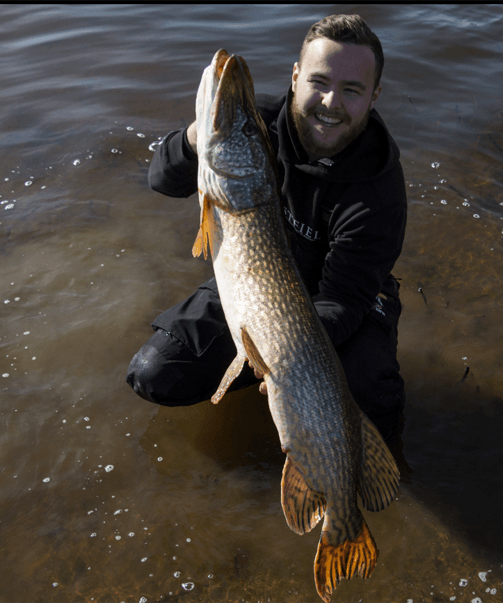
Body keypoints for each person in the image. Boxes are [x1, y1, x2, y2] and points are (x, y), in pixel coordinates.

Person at [127, 14, 407, 442]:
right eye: (320, 81)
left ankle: (373, 474)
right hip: (255, 284)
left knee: (369, 397)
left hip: (345, 295)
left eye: (351, 90)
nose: (331, 103)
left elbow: (343, 301)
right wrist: (194, 138)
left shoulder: (379, 192)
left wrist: (287, 356)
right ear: (296, 77)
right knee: (155, 374)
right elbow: (163, 180)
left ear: (374, 96)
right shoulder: (255, 126)